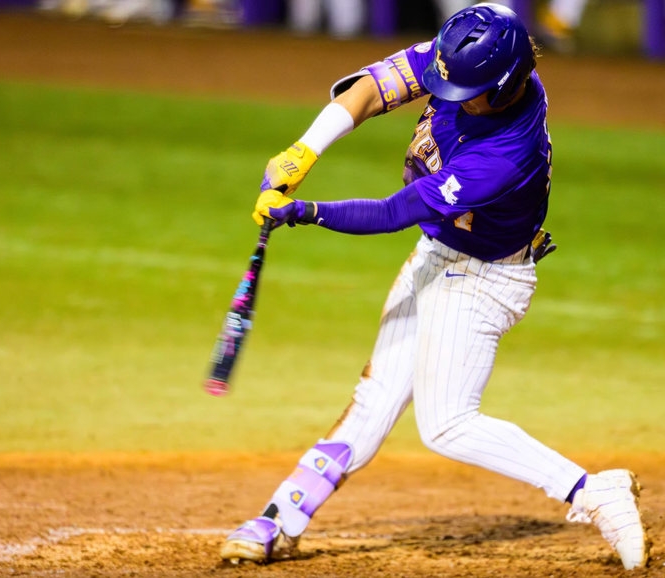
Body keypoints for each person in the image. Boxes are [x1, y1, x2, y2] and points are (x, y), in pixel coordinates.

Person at [219, 3, 650, 571]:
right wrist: (304, 150)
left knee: (446, 424)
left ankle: (592, 492)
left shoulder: (503, 155)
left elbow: (395, 211)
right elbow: (372, 90)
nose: (445, 92)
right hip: (439, 253)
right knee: (373, 402)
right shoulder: (465, 58)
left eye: (464, 90)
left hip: (483, 279)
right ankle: (280, 520)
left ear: (503, 88)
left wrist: (304, 211)